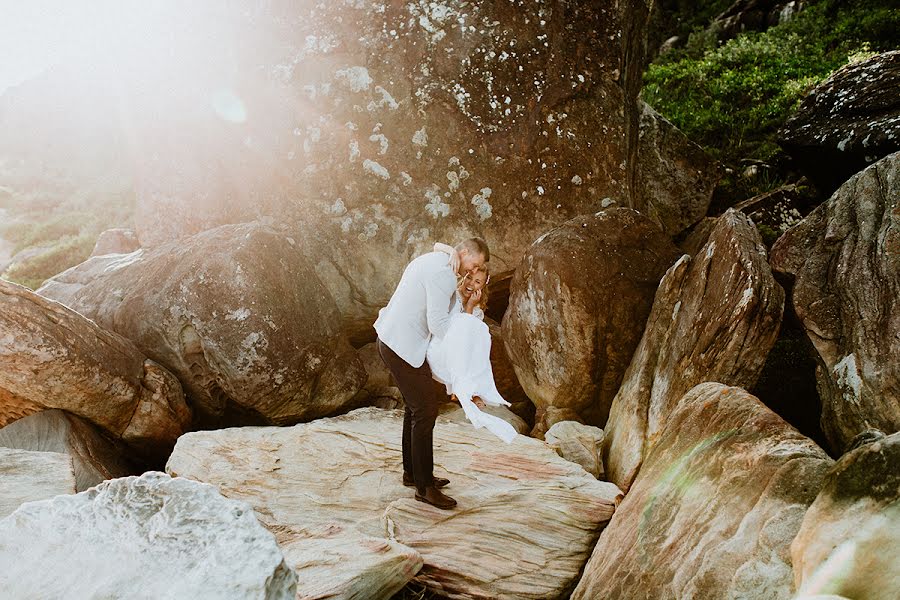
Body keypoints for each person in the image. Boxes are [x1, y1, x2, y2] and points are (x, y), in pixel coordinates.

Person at [374, 238, 489, 510]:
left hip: (395, 340)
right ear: (463, 253)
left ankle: (413, 474)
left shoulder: (439, 260)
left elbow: (439, 314)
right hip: (400, 345)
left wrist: (463, 307)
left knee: (416, 409)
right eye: (475, 264)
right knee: (426, 410)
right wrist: (464, 329)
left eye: (480, 268)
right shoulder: (444, 273)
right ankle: (424, 488)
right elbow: (438, 325)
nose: (474, 271)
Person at [427, 247, 517, 444]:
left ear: (483, 286)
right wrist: (451, 251)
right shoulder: (451, 296)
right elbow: (452, 331)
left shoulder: (477, 311)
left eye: (477, 282)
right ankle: (462, 389)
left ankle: (470, 389)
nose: (471, 284)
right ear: (464, 276)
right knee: (472, 327)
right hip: (439, 349)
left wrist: (471, 308)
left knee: (481, 332)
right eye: (469, 278)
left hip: (455, 356)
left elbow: (469, 341)